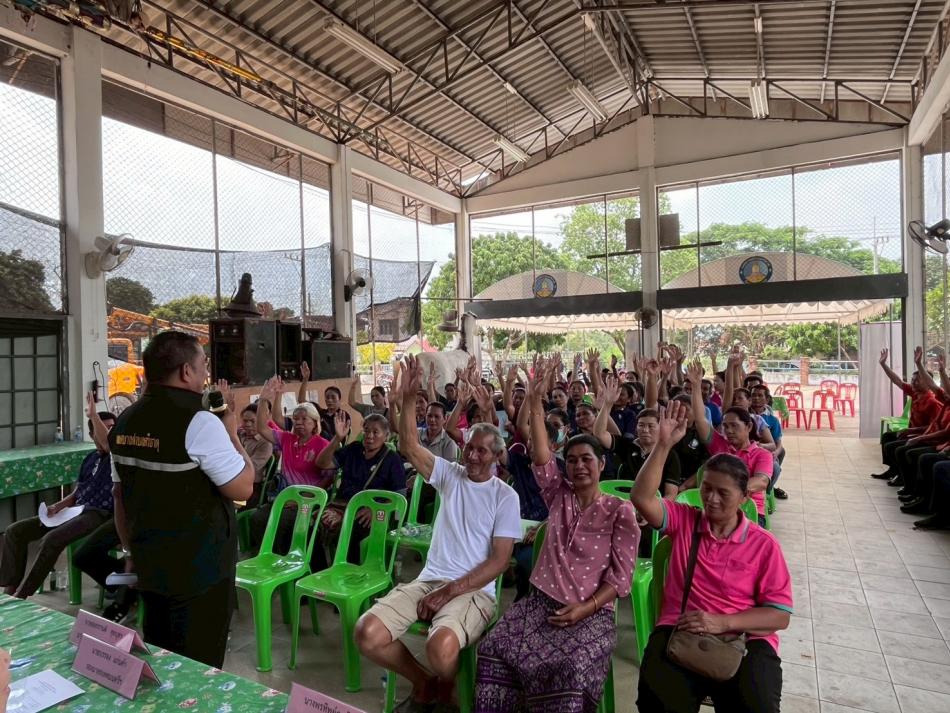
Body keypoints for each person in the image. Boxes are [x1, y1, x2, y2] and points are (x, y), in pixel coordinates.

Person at [355, 355, 521, 713]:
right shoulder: (451, 475)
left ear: (496, 457)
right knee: (367, 633)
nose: (471, 455)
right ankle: (425, 683)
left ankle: (446, 692)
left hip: (474, 592)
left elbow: (499, 561)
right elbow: (408, 446)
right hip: (429, 580)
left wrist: (449, 591)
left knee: (440, 646)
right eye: (469, 447)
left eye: (481, 451)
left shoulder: (504, 496)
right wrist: (408, 397)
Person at [474, 359, 639, 712]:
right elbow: (541, 456)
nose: (579, 466)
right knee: (492, 648)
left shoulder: (619, 511)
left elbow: (621, 577)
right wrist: (534, 403)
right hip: (539, 603)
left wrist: (585, 608)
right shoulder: (559, 495)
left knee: (569, 668)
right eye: (573, 460)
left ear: (601, 465)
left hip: (592, 611)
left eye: (587, 460)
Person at [633, 403, 791, 713]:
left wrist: (722, 622)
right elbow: (642, 498)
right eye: (706, 489)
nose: (711, 499)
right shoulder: (685, 520)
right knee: (658, 702)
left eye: (724, 493)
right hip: (682, 628)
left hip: (744, 637)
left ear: (744, 498)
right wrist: (663, 445)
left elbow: (778, 616)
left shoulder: (763, 545)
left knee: (756, 705)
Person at [110, 331, 254, 667]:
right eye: (203, 364)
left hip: (150, 565)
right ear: (186, 371)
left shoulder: (125, 421)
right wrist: (231, 434)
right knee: (199, 663)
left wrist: (130, 551)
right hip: (199, 572)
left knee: (162, 655)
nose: (206, 372)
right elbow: (243, 488)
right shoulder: (199, 422)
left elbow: (120, 497)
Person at [0, 394, 116, 598]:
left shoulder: (118, 455)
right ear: (92, 434)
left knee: (51, 540)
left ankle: (22, 595)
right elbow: (78, 491)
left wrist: (93, 415)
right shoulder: (90, 458)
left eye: (112, 428)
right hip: (75, 510)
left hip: (98, 513)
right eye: (104, 428)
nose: (109, 432)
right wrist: (58, 506)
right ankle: (9, 588)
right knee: (15, 531)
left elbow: (108, 445)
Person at [250, 376, 332, 553]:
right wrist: (263, 399)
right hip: (284, 498)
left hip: (307, 501)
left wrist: (303, 498)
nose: (298, 422)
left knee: (281, 523)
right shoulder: (287, 439)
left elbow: (328, 479)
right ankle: (267, 556)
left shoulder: (322, 445)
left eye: (304, 419)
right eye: (295, 419)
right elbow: (262, 428)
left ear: (314, 423)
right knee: (257, 518)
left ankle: (284, 560)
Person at [312, 412, 406, 566]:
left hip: (371, 512)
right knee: (314, 525)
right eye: (366, 431)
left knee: (350, 532)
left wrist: (376, 509)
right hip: (342, 506)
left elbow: (400, 495)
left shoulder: (392, 459)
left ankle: (351, 573)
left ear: (386, 436)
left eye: (375, 432)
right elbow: (322, 463)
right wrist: (337, 438)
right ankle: (320, 571)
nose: (369, 436)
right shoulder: (354, 449)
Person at [687, 361, 773, 526]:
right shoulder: (719, 443)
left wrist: (725, 491)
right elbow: (700, 419)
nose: (729, 430)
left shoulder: (762, 454)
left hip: (750, 512)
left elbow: (761, 481)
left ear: (748, 427)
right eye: (725, 426)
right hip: (716, 509)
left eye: (734, 426)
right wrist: (696, 385)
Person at [873, 347, 941, 482]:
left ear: (928, 383)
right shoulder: (916, 393)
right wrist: (883, 364)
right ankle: (893, 469)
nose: (913, 383)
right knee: (887, 437)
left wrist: (910, 431)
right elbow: (897, 381)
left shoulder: (933, 402)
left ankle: (902, 476)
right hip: (911, 432)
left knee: (894, 447)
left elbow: (933, 428)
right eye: (912, 380)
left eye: (917, 380)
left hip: (923, 436)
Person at [238, 402, 274, 511]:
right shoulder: (240, 434)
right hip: (234, 481)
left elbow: (250, 468)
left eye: (252, 421)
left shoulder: (265, 443)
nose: (248, 424)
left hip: (251, 487)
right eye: (245, 421)